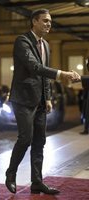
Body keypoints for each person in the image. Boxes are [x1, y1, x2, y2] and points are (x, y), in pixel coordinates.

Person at [5, 9, 81, 195]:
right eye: (45, 21)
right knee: (26, 138)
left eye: (50, 21)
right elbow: (35, 67)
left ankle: (37, 182)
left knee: (40, 141)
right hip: (22, 99)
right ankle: (11, 173)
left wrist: (47, 97)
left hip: (40, 100)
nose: (49, 24)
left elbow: (43, 75)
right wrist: (61, 74)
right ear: (34, 21)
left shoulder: (45, 45)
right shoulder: (22, 41)